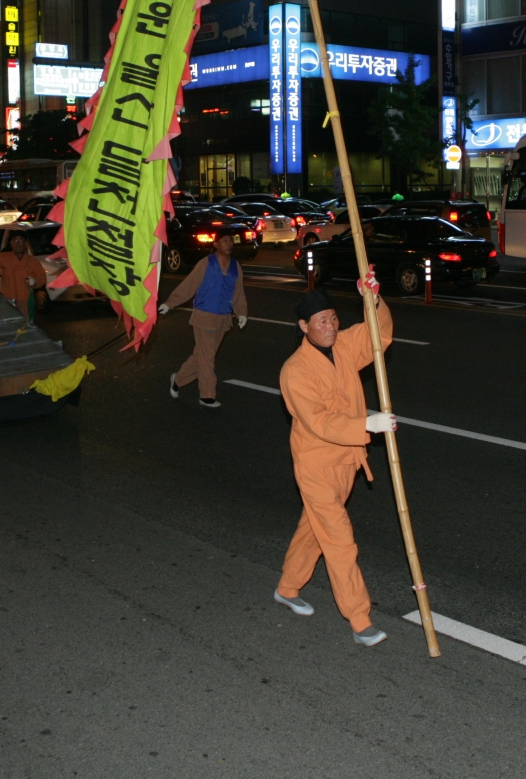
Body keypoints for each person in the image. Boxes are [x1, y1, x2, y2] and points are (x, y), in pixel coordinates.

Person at [273, 277, 396, 647]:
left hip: (347, 462)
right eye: (320, 321)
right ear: (303, 327)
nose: (329, 327)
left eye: (333, 318)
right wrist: (366, 424)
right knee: (340, 540)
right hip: (315, 465)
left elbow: (379, 337)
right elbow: (320, 422)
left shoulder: (342, 345)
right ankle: (360, 620)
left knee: (315, 529)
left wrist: (373, 300)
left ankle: (287, 587)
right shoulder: (295, 370)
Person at [159, 228, 248, 407]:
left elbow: (238, 292)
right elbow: (189, 285)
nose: (229, 244)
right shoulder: (206, 263)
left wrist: (242, 313)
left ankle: (178, 379)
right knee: (207, 358)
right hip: (204, 316)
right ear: (215, 244)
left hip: (223, 319)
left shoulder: (235, 266)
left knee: (201, 356)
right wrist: (170, 303)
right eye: (224, 241)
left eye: (230, 240)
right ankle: (207, 395)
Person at [0, 232, 48, 320]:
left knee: (24, 325)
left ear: (26, 244)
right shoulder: (3, 257)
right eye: (15, 240)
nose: (18, 243)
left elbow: (41, 277)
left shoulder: (32, 261)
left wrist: (35, 281)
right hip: (8, 298)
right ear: (11, 243)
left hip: (25, 299)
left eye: (21, 240)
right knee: (9, 325)